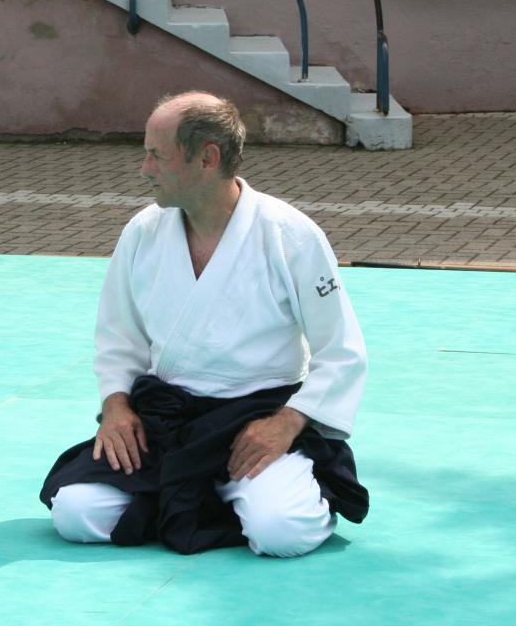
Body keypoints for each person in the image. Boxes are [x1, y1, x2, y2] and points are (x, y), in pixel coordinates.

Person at [39, 91, 368, 557]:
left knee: (281, 531)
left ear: (207, 158)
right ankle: (205, 501)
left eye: (156, 154)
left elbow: (342, 351)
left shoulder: (289, 235)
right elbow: (119, 338)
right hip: (168, 422)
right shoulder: (142, 232)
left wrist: (287, 423)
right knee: (74, 512)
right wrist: (116, 407)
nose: (144, 168)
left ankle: (248, 494)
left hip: (255, 421)